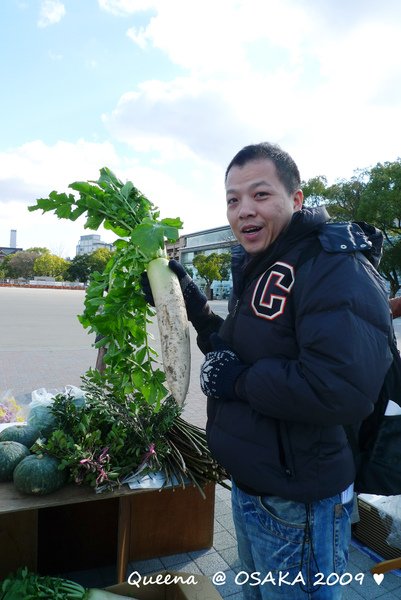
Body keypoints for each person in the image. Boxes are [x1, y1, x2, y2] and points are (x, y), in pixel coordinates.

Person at [143, 142, 393, 599]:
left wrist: (236, 382)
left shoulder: (333, 267)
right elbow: (240, 350)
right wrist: (191, 304)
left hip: (300, 504)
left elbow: (339, 388)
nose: (243, 211)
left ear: (296, 199)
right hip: (255, 489)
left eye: (260, 195)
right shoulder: (262, 264)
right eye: (233, 199)